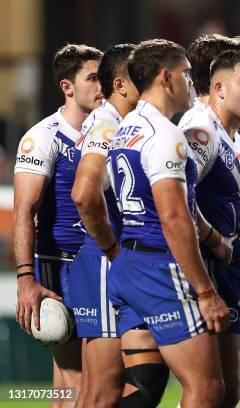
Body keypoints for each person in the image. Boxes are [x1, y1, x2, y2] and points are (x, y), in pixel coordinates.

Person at [107, 39, 230, 408]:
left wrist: (212, 239)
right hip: (159, 268)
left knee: (144, 387)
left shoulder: (126, 128)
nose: (192, 83)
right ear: (166, 78)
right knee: (207, 388)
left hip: (128, 265)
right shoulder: (165, 135)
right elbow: (174, 217)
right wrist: (206, 294)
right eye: (187, 74)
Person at [70, 43, 171, 408]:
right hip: (104, 260)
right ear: (120, 85)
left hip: (108, 260)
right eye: (138, 77)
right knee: (104, 391)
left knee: (104, 390)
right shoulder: (108, 122)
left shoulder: (124, 124)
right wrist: (113, 250)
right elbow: (84, 193)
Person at [13, 43, 103, 407]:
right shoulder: (43, 137)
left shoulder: (107, 131)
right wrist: (25, 279)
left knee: (88, 382)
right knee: (77, 381)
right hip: (61, 266)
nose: (103, 86)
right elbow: (23, 210)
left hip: (100, 265)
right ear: (67, 86)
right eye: (94, 78)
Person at [179, 44, 240, 407]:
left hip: (235, 271)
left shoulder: (238, 140)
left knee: (232, 387)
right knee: (209, 390)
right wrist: (215, 241)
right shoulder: (200, 130)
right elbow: (178, 198)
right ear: (218, 88)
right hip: (208, 270)